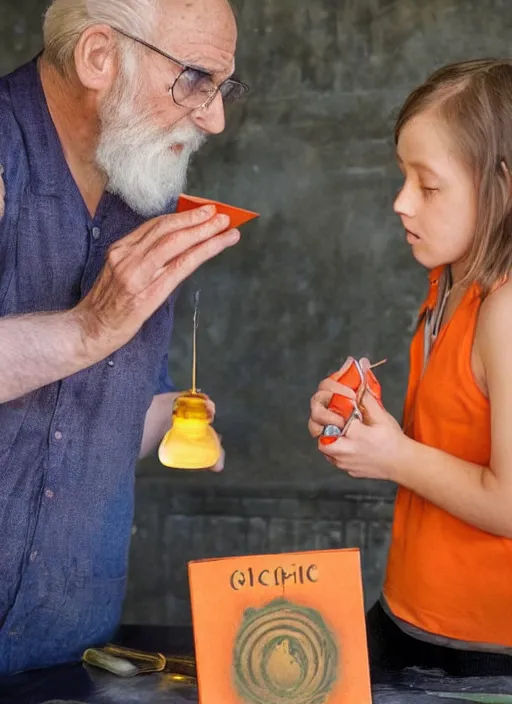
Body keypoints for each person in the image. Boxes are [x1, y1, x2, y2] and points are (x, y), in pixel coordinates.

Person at [0, 0, 247, 675]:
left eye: (223, 88)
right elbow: (86, 342)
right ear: (98, 57)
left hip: (72, 646)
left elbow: (86, 419)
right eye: (197, 77)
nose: (215, 118)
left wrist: (171, 419)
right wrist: (87, 329)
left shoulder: (142, 179)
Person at [309, 59, 512, 677]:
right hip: (409, 615)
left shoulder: (505, 311)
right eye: (403, 178)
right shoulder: (447, 282)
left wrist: (394, 457)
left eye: (427, 186)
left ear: (502, 184)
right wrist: (369, 428)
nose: (401, 203)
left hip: (482, 652)